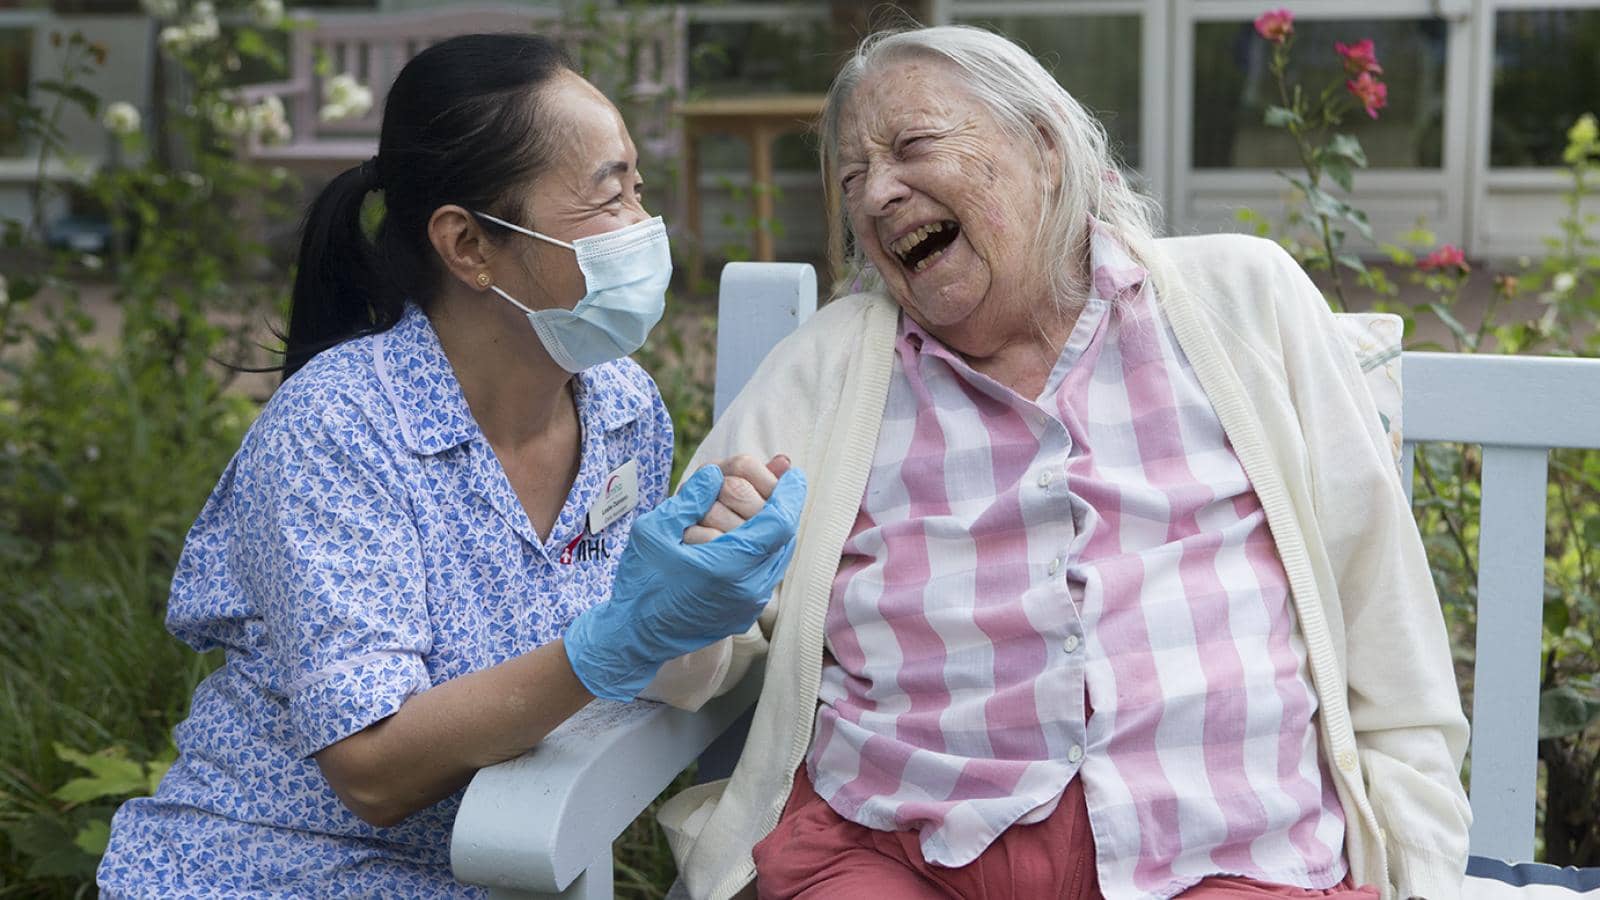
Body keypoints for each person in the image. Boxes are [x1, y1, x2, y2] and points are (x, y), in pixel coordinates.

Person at [652, 25, 1472, 900]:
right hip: (896, 847)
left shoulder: (1244, 298)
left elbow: (1381, 606)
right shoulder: (829, 367)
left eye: (912, 148)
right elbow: (684, 656)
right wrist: (698, 585)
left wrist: (1420, 869)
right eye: (851, 180)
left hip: (1225, 853)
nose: (878, 195)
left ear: (1044, 147)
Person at [96, 33, 804, 898]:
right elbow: (372, 767)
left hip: (497, 865)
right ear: (469, 246)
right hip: (269, 867)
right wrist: (621, 638)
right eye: (605, 197)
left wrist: (698, 597)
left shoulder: (622, 406)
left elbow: (625, 655)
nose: (645, 232)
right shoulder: (341, 426)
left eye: (638, 192)